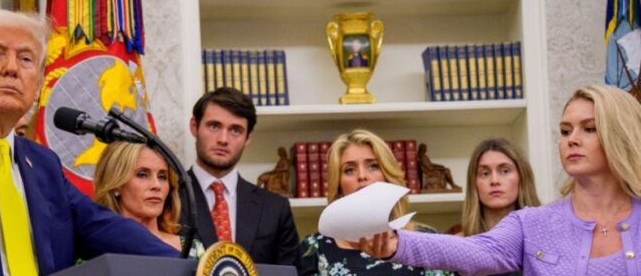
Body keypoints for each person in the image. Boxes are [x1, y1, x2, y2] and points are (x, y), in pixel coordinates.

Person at [0, 9, 178, 276]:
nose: (11, 68)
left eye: (25, 59)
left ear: (37, 86)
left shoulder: (44, 165)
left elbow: (105, 228)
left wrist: (195, 266)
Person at [360, 84, 641, 275]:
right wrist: (397, 244)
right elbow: (475, 249)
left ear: (621, 135)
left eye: (589, 129)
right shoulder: (531, 224)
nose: (572, 140)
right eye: (566, 131)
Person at [299, 129, 453, 276]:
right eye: (349, 170)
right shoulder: (314, 249)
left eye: (373, 166)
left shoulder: (425, 238)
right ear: (338, 184)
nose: (362, 176)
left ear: (387, 176)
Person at [185, 87, 300, 267]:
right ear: (194, 126)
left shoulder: (275, 209)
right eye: (214, 126)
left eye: (235, 130)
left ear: (247, 138)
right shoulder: (168, 197)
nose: (223, 139)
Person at [94, 141, 205, 258]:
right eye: (142, 175)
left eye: (162, 177)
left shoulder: (192, 249)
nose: (156, 185)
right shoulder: (95, 247)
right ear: (115, 185)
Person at [458, 138, 540, 237]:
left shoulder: (544, 239)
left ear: (522, 177)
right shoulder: (458, 243)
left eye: (505, 171)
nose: (494, 181)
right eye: (485, 173)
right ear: (474, 183)